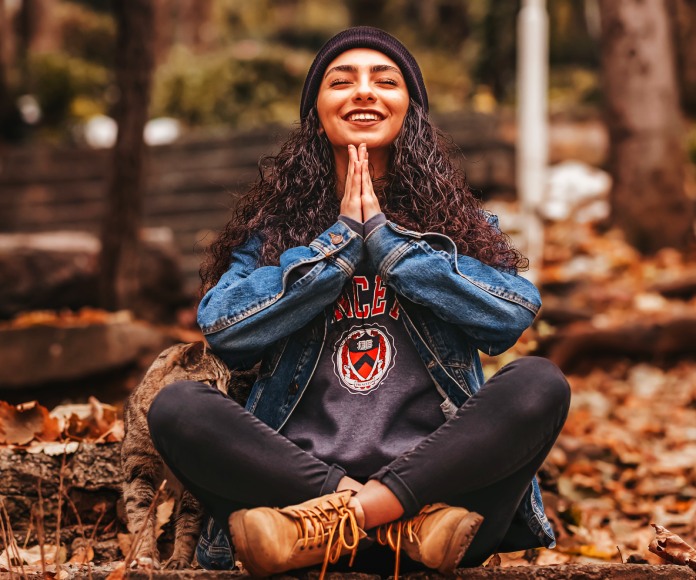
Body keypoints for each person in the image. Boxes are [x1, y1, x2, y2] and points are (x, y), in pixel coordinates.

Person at [147, 26, 570, 579]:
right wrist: (339, 246)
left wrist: (390, 247)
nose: (364, 92)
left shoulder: (458, 228)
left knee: (540, 383)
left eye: (385, 80)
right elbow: (224, 328)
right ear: (317, 112)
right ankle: (377, 520)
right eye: (341, 81)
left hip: (444, 510)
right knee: (178, 407)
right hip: (290, 500)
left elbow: (511, 314)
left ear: (409, 109)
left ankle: (360, 516)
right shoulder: (273, 235)